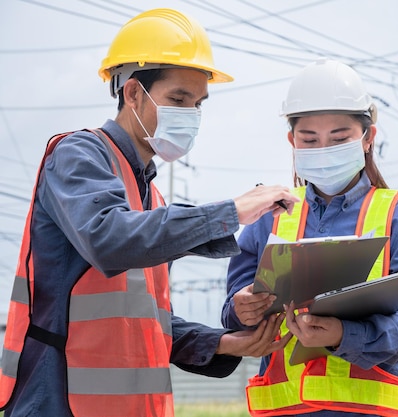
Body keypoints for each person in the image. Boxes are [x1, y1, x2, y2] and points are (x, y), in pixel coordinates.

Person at [0, 8, 298, 417]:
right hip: (58, 401)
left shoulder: (150, 198)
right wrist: (230, 211)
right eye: (178, 99)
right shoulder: (77, 155)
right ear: (134, 94)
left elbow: (148, 323)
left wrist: (225, 343)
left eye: (198, 103)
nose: (191, 114)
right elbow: (110, 239)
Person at [222, 58, 398, 417]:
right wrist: (241, 308)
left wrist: (345, 336)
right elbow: (232, 313)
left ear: (367, 137)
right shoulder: (267, 219)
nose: (323, 149)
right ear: (291, 141)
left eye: (338, 138)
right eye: (309, 139)